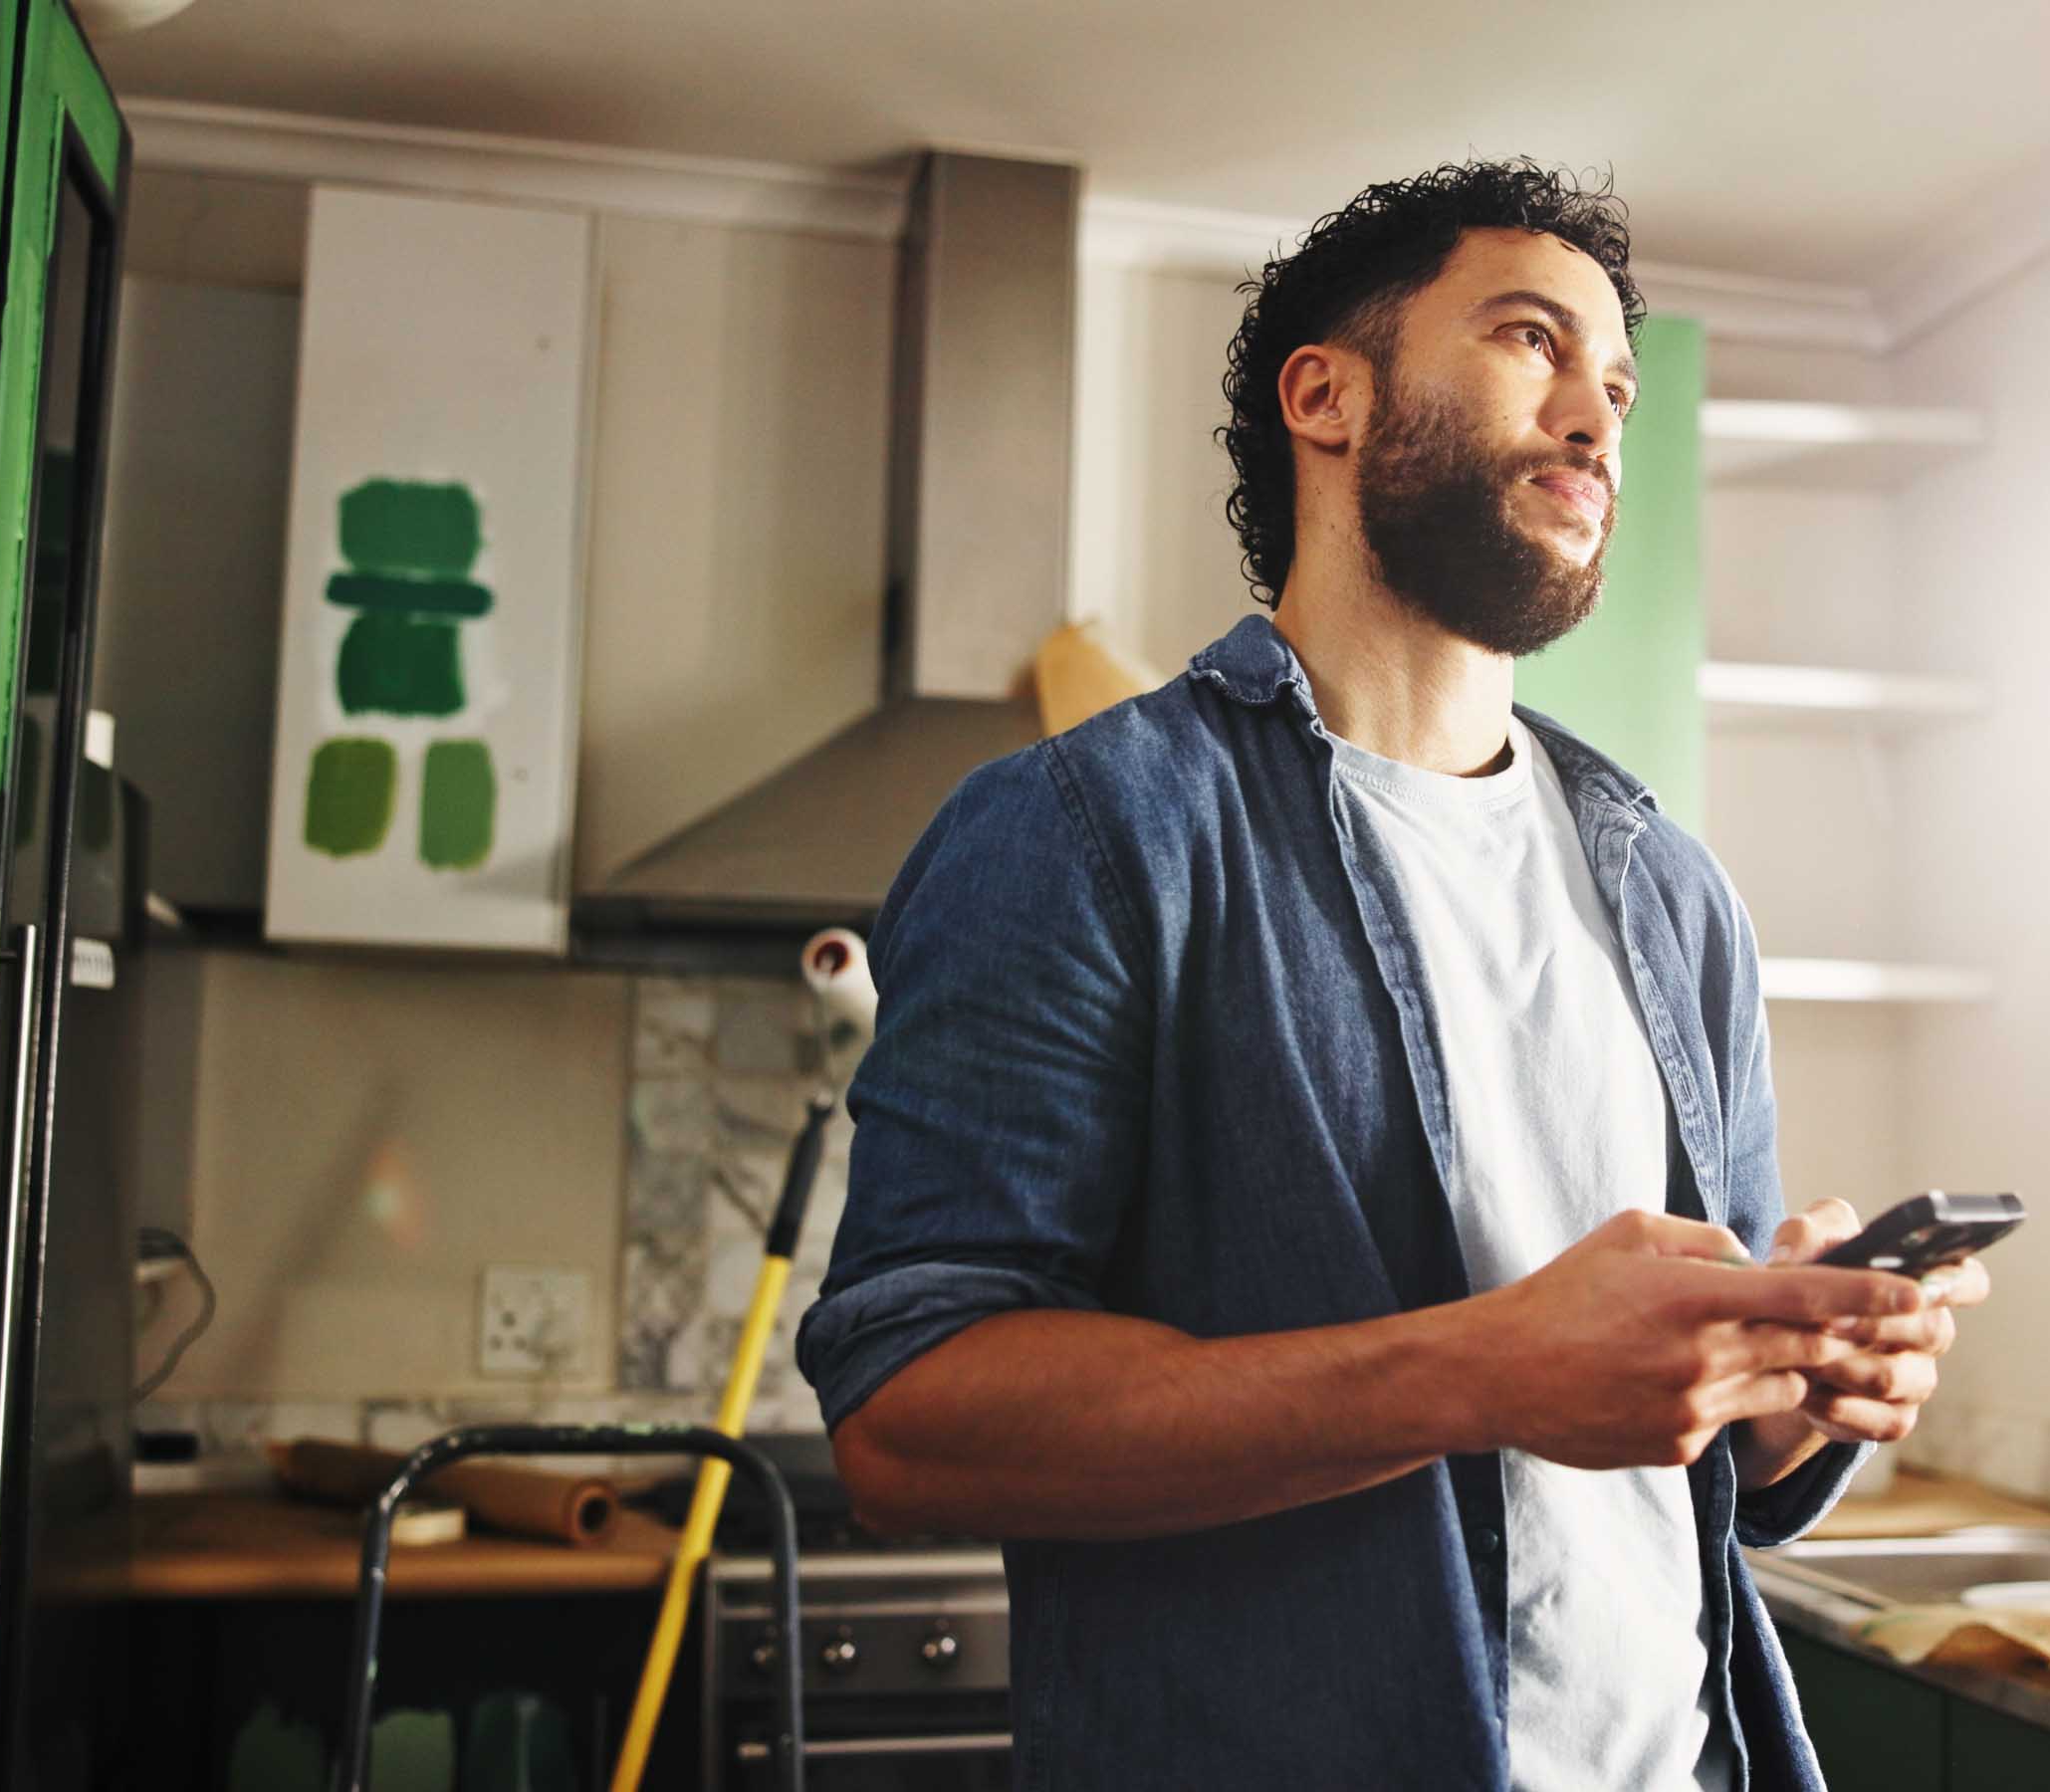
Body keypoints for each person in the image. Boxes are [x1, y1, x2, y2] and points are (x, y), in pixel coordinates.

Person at [799, 158, 1984, 1790]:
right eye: (1528, 342)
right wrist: (1488, 1366)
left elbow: (1703, 1464)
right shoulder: (1084, 832)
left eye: (1619, 387)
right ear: (1328, 396)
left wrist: (1805, 1377)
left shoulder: (1673, 893)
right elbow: (910, 1416)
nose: (1594, 417)